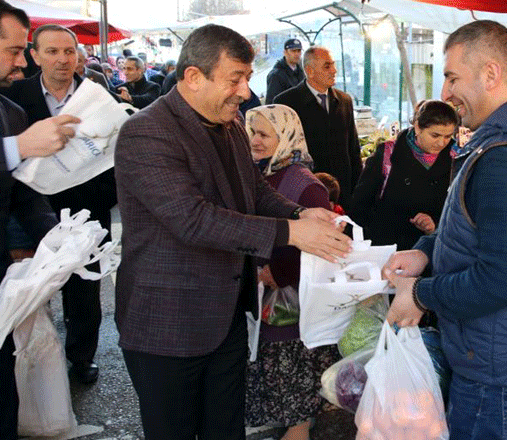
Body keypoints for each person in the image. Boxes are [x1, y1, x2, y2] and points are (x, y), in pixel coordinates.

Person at [114, 24, 351, 440]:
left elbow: (254, 190)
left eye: (247, 77)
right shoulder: (147, 132)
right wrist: (291, 233)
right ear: (193, 77)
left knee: (225, 428)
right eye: (235, 79)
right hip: (168, 321)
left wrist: (301, 212)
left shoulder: (231, 123)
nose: (245, 91)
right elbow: (192, 219)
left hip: (226, 316)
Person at [383, 20, 507, 440]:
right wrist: (426, 250)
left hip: (500, 371)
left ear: (490, 74)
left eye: (453, 77)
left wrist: (421, 294)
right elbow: (482, 234)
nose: (445, 93)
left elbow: (503, 279)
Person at [0, 23, 119, 385]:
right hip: (26, 212)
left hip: (86, 210)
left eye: (69, 52)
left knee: (84, 292)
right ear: (34, 55)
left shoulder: (98, 97)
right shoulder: (13, 97)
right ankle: (31, 362)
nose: (62, 60)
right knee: (29, 288)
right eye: (52, 52)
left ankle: (81, 358)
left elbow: (116, 155)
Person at [0, 1, 79, 437]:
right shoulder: (18, 130)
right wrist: (17, 147)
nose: (22, 62)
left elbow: (21, 195)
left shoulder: (10, 112)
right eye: (13, 50)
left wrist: (64, 239)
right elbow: (12, 157)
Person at [243, 104, 339, 440]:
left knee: (293, 365)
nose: (254, 139)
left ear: (285, 137)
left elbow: (323, 244)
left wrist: (278, 273)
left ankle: (299, 428)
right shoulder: (259, 171)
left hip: (291, 299)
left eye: (263, 133)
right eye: (251, 131)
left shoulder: (304, 184)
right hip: (265, 295)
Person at [349, 99, 459, 251]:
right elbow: (360, 205)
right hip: (385, 249)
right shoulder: (388, 154)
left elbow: (458, 211)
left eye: (447, 136)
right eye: (435, 135)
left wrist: (434, 224)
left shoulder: (456, 159)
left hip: (430, 252)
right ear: (418, 127)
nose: (441, 143)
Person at [275, 46, 361, 208]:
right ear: (310, 71)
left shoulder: (344, 101)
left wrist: (357, 190)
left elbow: (353, 149)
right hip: (305, 193)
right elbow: (281, 156)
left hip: (342, 193)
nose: (334, 71)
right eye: (327, 66)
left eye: (334, 65)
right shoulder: (286, 102)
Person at [266, 38, 304, 104]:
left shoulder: (300, 71)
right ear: (285, 52)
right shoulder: (276, 75)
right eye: (293, 51)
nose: (297, 54)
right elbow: (271, 103)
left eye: (299, 51)